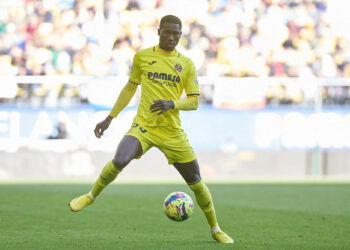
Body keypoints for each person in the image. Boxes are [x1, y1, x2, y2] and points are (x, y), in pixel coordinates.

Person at [69, 15, 233, 244]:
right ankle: (91, 196)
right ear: (159, 31)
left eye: (177, 33)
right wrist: (110, 118)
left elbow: (194, 101)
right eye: (167, 32)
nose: (172, 37)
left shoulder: (186, 64)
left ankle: (215, 229)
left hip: (172, 132)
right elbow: (129, 88)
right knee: (120, 159)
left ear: (181, 35)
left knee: (195, 181)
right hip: (143, 126)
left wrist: (172, 104)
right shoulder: (143, 57)